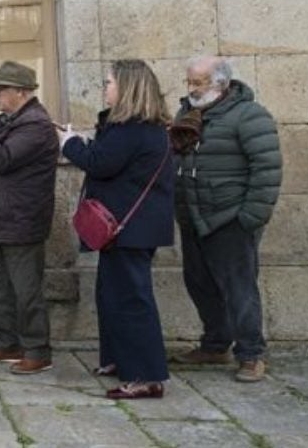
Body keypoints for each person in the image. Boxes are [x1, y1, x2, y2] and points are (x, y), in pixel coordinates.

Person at [60, 60, 175, 399]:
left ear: (127, 87)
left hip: (129, 229)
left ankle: (146, 377)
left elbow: (99, 163)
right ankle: (118, 360)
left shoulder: (132, 129)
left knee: (131, 301)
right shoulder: (139, 127)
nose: (104, 88)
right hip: (128, 228)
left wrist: (68, 143)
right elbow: (109, 158)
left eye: (109, 82)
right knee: (111, 296)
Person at [170, 56, 281, 383]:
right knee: (199, 283)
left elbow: (267, 169)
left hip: (230, 217)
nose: (192, 88)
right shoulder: (186, 114)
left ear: (221, 83)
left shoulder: (249, 115)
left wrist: (250, 217)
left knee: (239, 289)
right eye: (189, 81)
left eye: (199, 82)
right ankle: (216, 344)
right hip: (194, 215)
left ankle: (251, 354)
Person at [0, 61, 59, 374]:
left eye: (1, 89)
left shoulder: (36, 125)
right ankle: (7, 343)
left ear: (21, 92)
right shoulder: (6, 121)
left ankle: (37, 350)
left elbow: (2, 159)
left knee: (26, 289)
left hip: (21, 219)